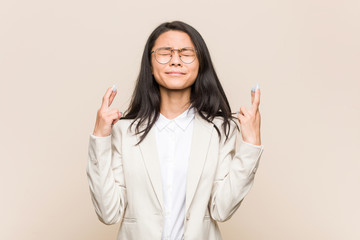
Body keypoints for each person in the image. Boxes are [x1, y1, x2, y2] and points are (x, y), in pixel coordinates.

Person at [87, 20, 264, 240]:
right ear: (150, 65)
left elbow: (222, 209)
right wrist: (100, 137)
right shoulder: (125, 131)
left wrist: (250, 146)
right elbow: (108, 212)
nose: (176, 61)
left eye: (186, 53)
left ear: (200, 64)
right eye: (165, 53)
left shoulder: (220, 130)